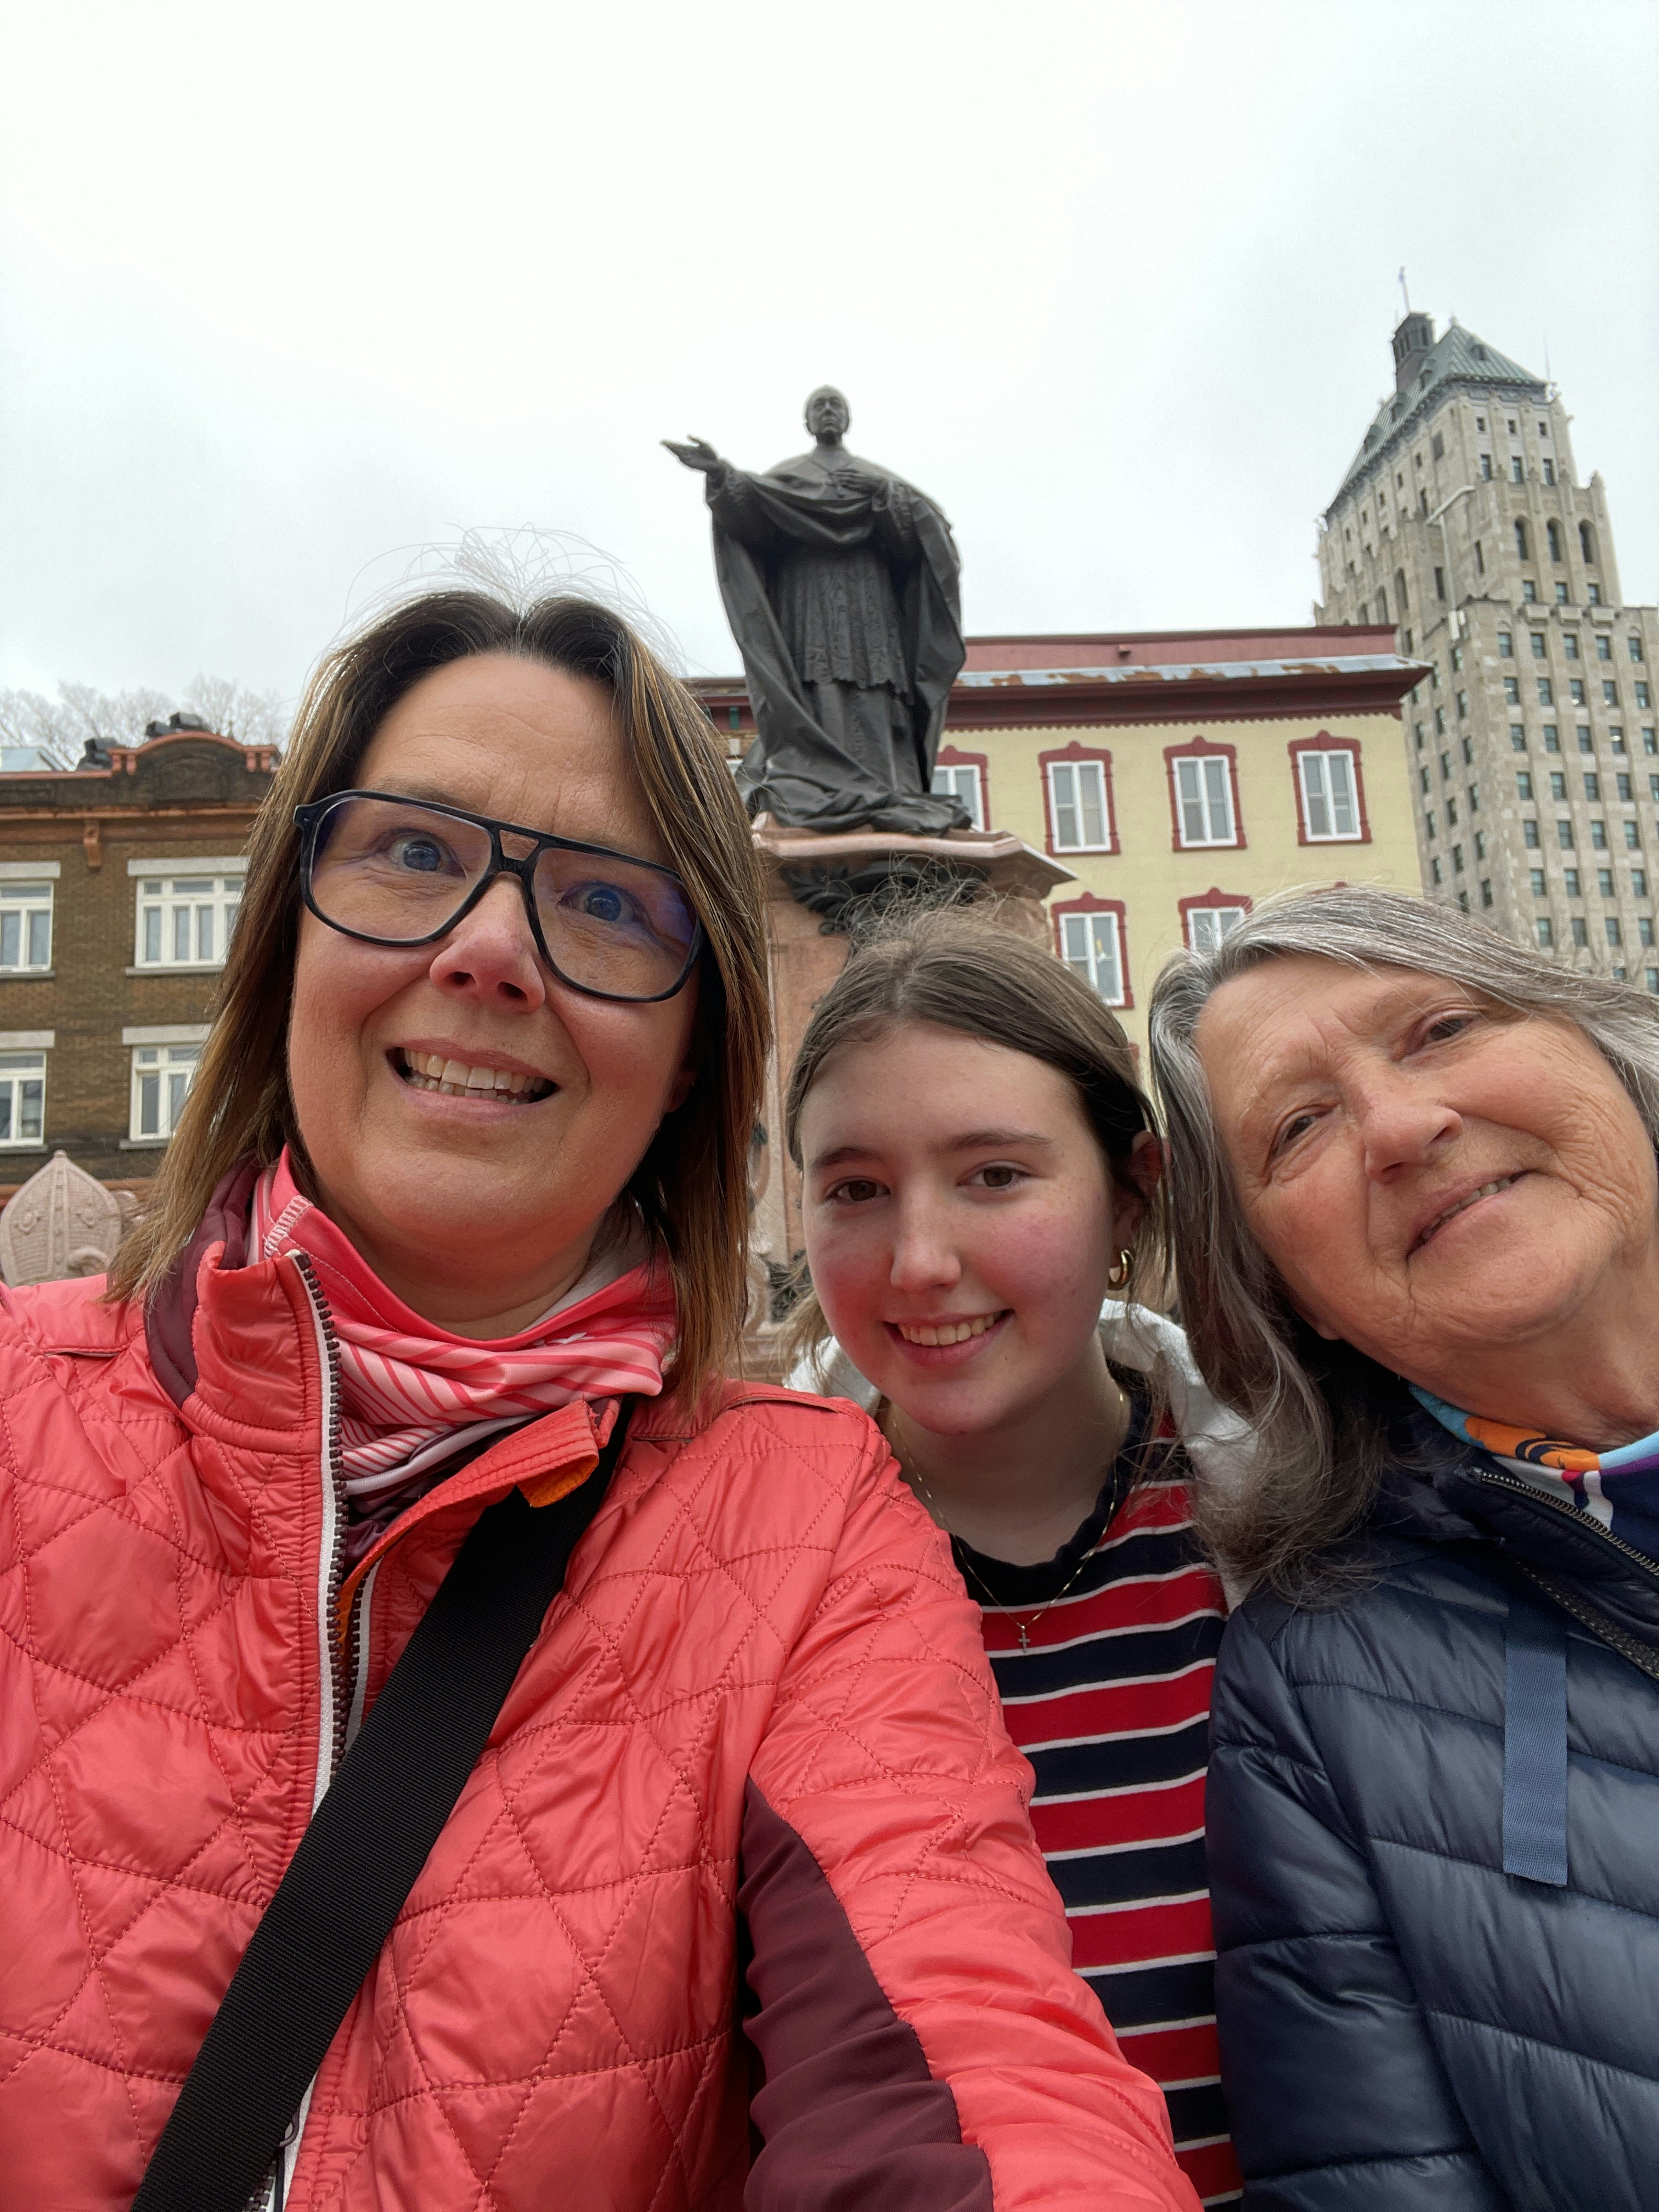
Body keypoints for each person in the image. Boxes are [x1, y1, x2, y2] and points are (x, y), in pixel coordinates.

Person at [0, 589, 1201, 2212]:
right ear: (287, 929)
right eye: (413, 854)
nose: (489, 952)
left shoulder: (803, 1523)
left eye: (608, 903)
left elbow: (968, 2055)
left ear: (697, 1052)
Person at [1148, 884, 1659, 2210]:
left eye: (1439, 1029)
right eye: (1299, 1127)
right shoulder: (1317, 1702)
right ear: (1281, 1293)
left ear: (1603, 1050)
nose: (1403, 1125)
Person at [786, 911, 1247, 2208]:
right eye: (857, 1189)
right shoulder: (747, 1577)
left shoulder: (1298, 1523)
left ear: (1130, 1192)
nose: (921, 1262)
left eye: (994, 1175)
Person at [663, 386, 968, 835]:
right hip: (808, 602)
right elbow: (749, 514)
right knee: (817, 684)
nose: (827, 412)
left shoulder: (877, 478)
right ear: (808, 422)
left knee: (875, 688)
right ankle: (815, 780)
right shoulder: (788, 477)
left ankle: (886, 786)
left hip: (870, 604)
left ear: (846, 420)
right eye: (819, 407)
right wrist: (720, 474)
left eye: (835, 406)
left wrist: (884, 497)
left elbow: (922, 542)